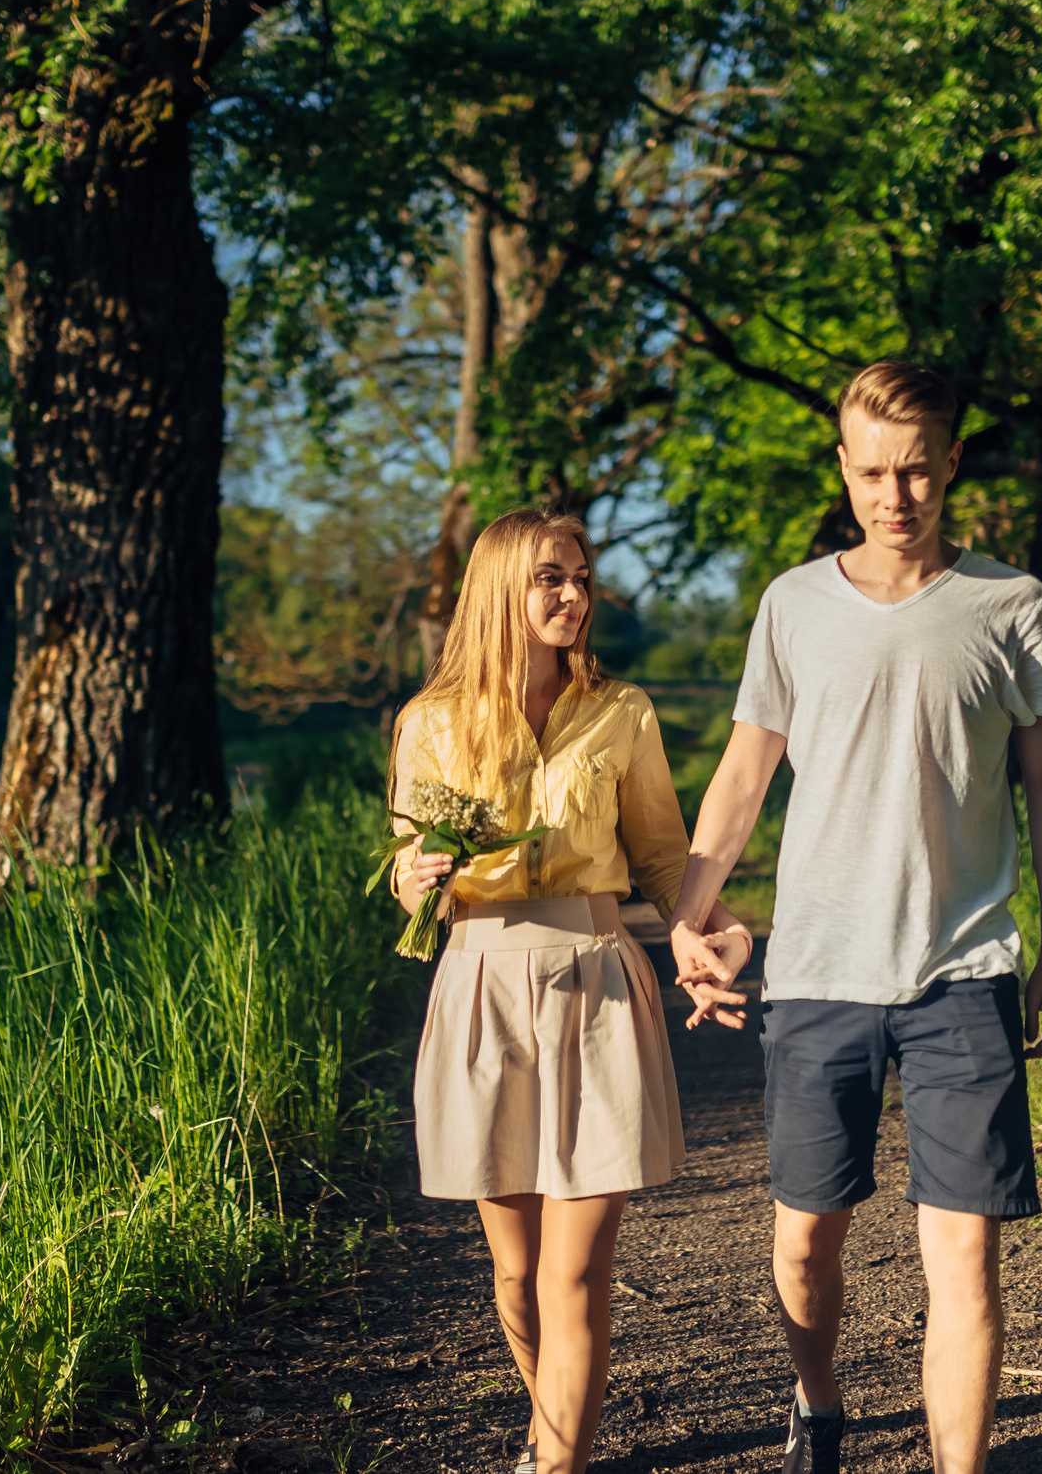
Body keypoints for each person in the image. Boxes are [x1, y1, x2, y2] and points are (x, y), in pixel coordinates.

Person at [667, 361, 1042, 1474]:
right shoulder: (792, 605)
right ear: (842, 470)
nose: (894, 494)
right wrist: (688, 910)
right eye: (871, 472)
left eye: (915, 469)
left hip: (966, 969)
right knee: (804, 1242)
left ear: (950, 463)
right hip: (816, 972)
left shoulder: (1010, 603)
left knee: (966, 1261)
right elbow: (745, 773)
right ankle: (817, 1401)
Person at [392, 507, 749, 1474]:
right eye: (552, 577)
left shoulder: (622, 712)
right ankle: (551, 1423)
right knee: (516, 1276)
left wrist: (718, 931)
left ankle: (561, 1464)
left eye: (582, 577)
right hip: (479, 989)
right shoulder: (428, 723)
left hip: (596, 983)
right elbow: (408, 868)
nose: (574, 596)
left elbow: (669, 862)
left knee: (576, 1273)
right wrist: (413, 879)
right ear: (502, 588)